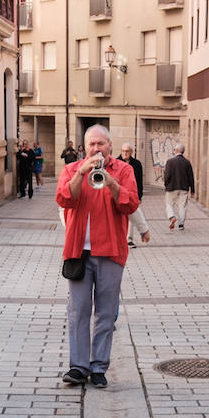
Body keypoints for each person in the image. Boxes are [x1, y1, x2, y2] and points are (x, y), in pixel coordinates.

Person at [56, 125, 138, 388]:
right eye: (91, 144)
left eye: (101, 144)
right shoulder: (72, 169)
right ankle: (79, 367)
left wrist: (111, 182)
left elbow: (130, 205)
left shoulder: (124, 171)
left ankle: (99, 366)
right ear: (84, 147)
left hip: (111, 252)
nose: (96, 149)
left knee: (104, 313)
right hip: (79, 251)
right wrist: (81, 172)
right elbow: (64, 198)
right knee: (79, 311)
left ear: (110, 146)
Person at [118, 142, 151, 246]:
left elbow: (139, 181)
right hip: (119, 194)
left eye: (127, 151)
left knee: (131, 216)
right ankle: (120, 238)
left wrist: (139, 196)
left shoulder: (137, 164)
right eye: (123, 151)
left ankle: (129, 239)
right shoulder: (116, 162)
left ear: (131, 152)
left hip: (132, 195)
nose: (125, 153)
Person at [164, 142, 195, 230]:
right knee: (182, 206)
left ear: (176, 150)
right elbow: (191, 177)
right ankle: (181, 224)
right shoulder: (187, 162)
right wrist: (192, 190)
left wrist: (166, 184)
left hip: (171, 187)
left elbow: (167, 175)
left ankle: (172, 217)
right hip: (184, 188)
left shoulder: (170, 161)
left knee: (169, 204)